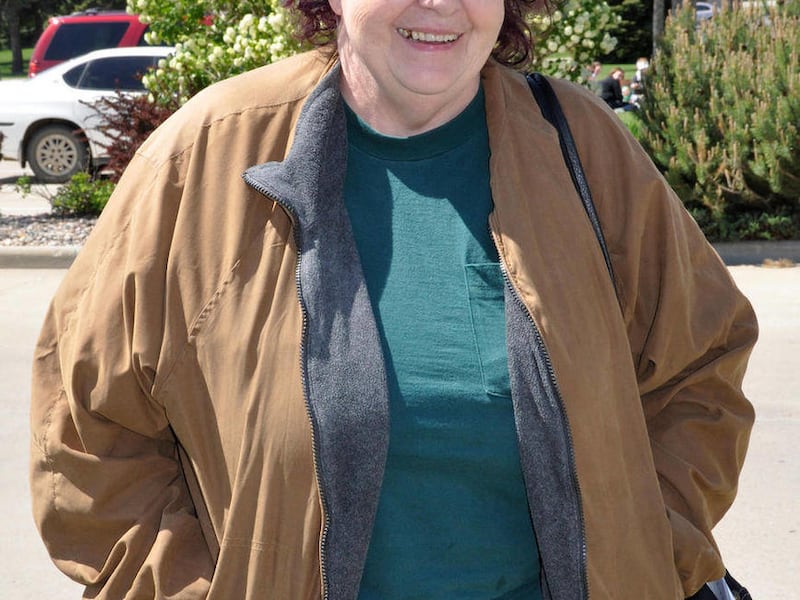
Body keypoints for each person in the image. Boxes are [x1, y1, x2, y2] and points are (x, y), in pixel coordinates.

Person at [29, 0, 757, 597]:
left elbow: (703, 366)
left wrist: (651, 549)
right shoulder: (206, 157)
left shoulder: (583, 147)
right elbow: (85, 430)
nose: (437, 5)